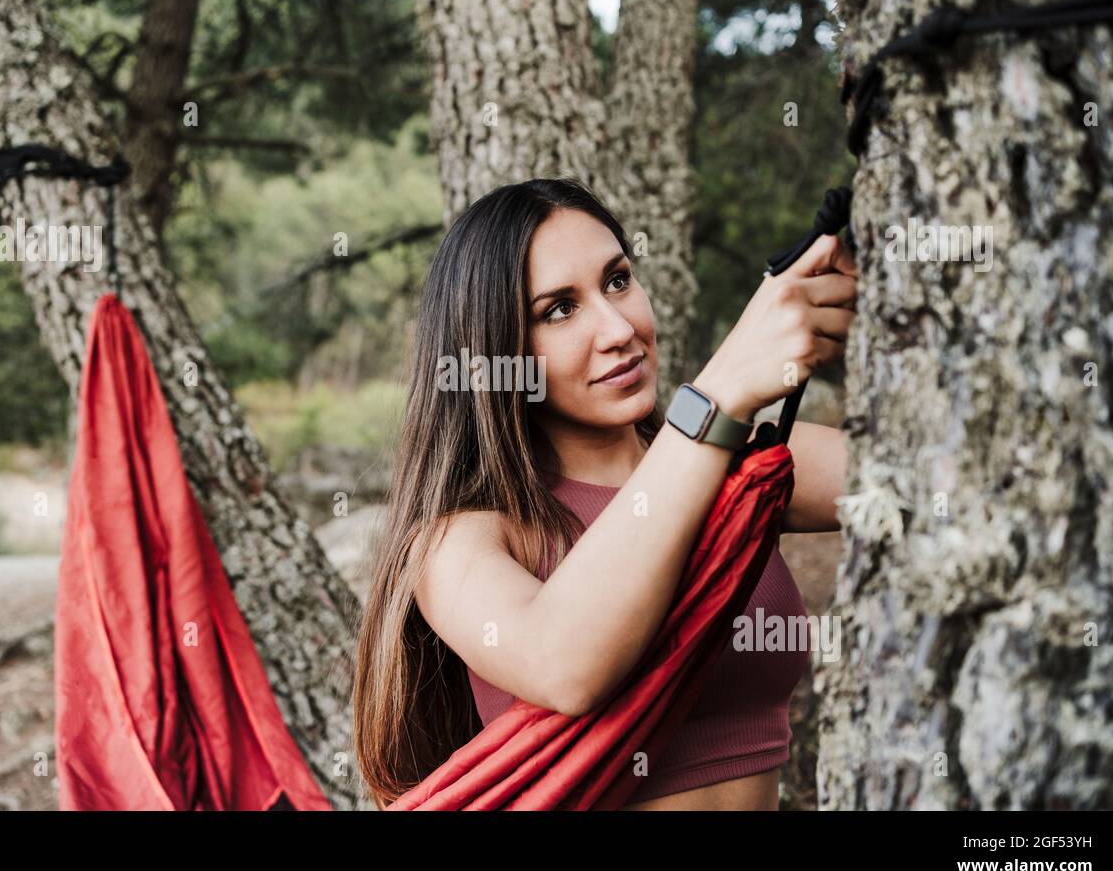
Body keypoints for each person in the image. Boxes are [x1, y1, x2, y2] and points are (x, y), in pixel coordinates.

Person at [353, 178, 858, 810]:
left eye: (617, 280)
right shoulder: (460, 539)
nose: (618, 328)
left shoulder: (743, 465)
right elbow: (562, 664)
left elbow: (941, 484)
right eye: (559, 310)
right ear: (495, 350)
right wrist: (718, 396)